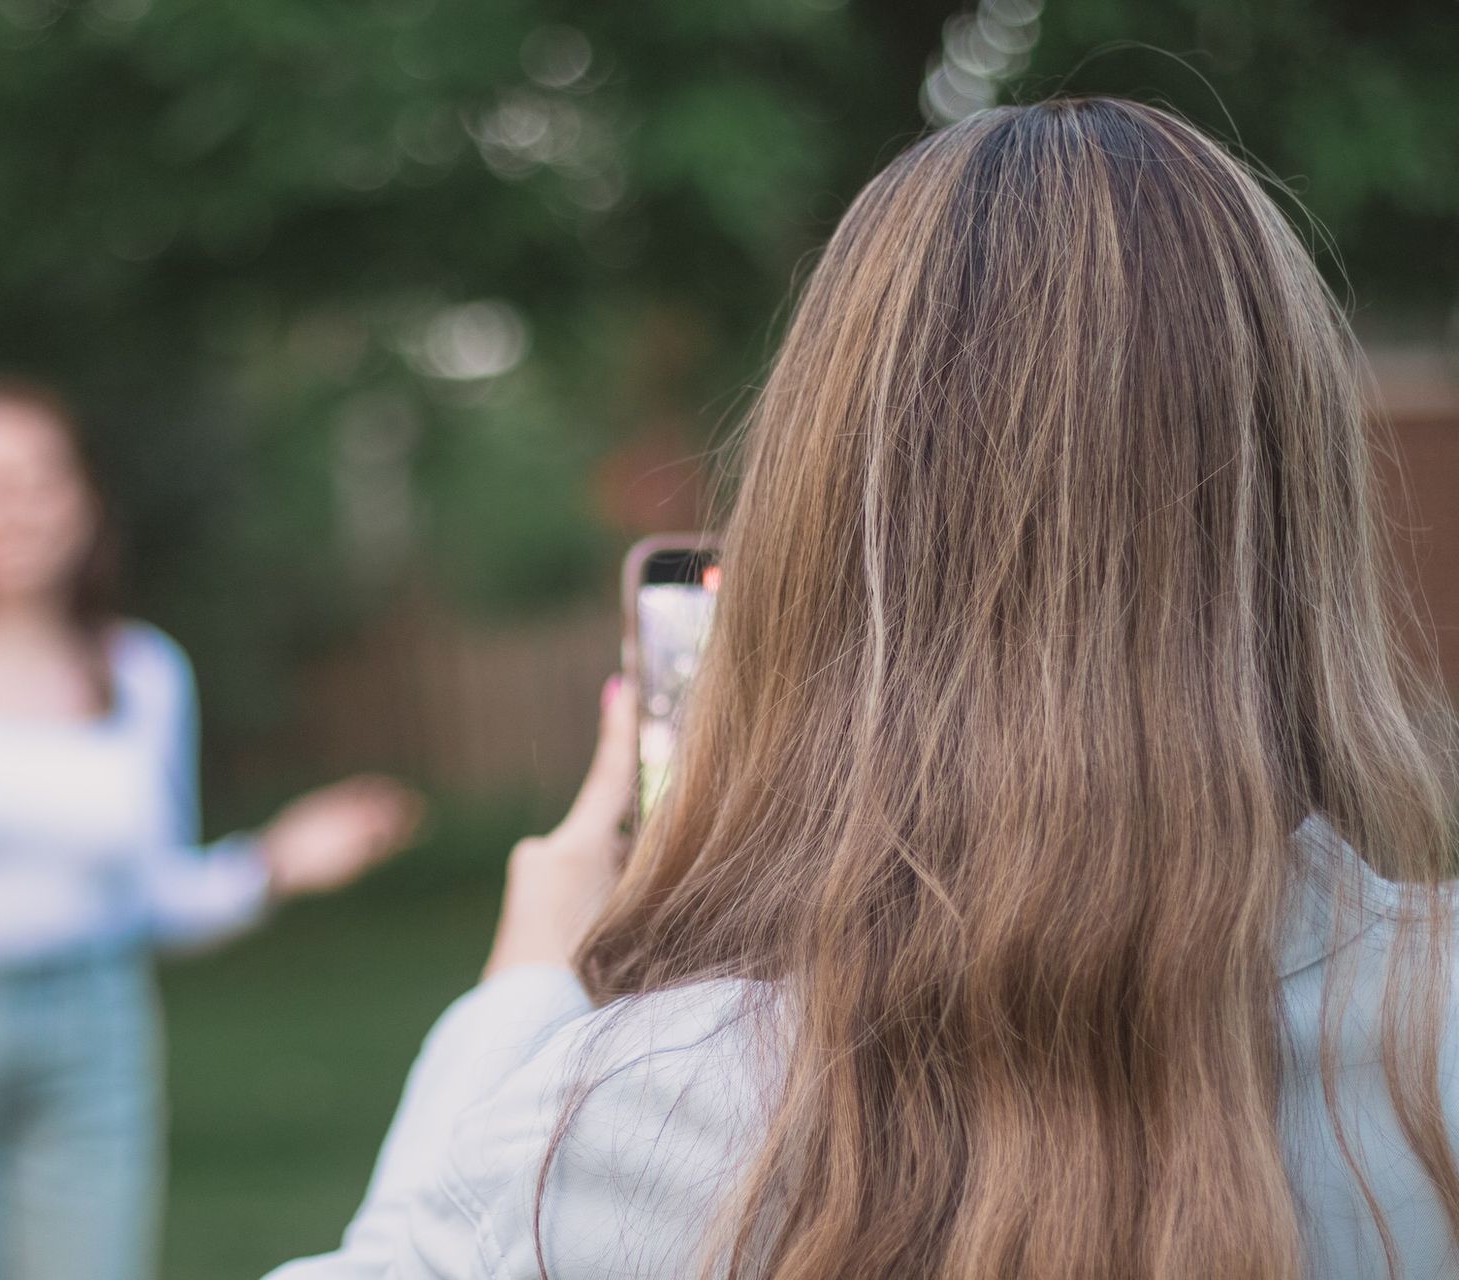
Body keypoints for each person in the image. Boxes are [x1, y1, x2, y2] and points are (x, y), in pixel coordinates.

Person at [265, 98, 1459, 1279]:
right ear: (1301, 509)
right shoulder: (1436, 1030)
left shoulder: (618, 1116)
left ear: (824, 534)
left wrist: (524, 984)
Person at [0, 378, 422, 1280]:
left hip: (90, 1045)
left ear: (85, 496)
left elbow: (152, 899)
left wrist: (277, 863)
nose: (10, 510)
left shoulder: (146, 675)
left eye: (35, 479)